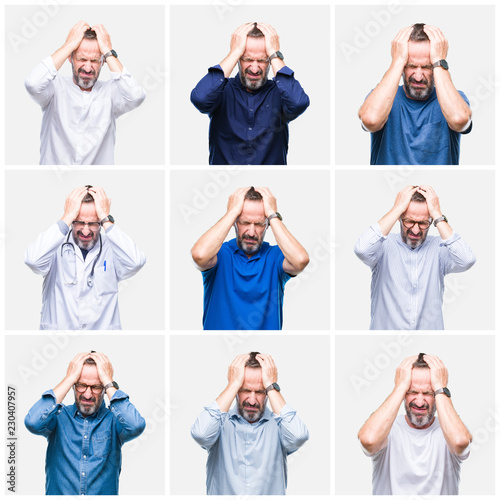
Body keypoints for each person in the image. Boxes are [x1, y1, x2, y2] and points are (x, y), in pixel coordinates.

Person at [354, 185, 475, 330]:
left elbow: (467, 260)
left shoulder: (440, 249)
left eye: (423, 223)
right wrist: (397, 208)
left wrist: (437, 214)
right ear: (399, 218)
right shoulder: (382, 246)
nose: (416, 230)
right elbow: (362, 249)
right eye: (409, 221)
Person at [25, 185, 146, 330]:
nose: (86, 231)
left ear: (101, 222)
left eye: (93, 223)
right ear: (72, 220)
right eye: (80, 222)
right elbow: (32, 260)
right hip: (57, 339)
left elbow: (136, 261)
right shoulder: (54, 246)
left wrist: (106, 218)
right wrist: (67, 216)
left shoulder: (113, 248)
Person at [25, 351, 146, 495]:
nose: (87, 395)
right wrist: (69, 378)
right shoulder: (58, 417)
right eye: (81, 385)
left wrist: (108, 380)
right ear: (73, 386)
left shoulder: (115, 420)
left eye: (96, 387)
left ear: (104, 389)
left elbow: (136, 425)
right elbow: (32, 422)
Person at [25, 21, 146, 165]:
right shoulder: (55, 88)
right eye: (82, 59)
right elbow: (32, 83)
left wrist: (107, 51)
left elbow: (136, 96)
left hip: (100, 180)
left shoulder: (111, 92)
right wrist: (69, 45)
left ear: (103, 62)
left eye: (94, 60)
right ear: (70, 58)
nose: (88, 68)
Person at [191, 22, 309, 165]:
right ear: (238, 60)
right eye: (247, 59)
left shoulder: (281, 92)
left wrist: (275, 54)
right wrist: (234, 52)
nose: (254, 68)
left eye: (262, 60)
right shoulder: (221, 91)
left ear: (270, 62)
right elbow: (200, 99)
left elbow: (298, 103)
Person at [191, 186, 309, 329]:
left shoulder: (275, 256)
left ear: (268, 225)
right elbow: (199, 255)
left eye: (259, 224)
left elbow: (301, 260)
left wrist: (272, 214)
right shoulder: (220, 254)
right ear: (234, 222)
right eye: (245, 222)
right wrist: (232, 211)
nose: (252, 232)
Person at [191, 352, 309, 495]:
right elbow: (201, 434)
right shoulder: (219, 424)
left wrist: (271, 386)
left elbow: (299, 436)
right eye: (245, 390)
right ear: (236, 390)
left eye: (259, 392)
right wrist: (233, 384)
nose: (252, 401)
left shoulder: (281, 427)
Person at [358, 353, 471, 495]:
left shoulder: (451, 429)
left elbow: (460, 442)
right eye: (412, 391)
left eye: (428, 393)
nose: (419, 402)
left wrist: (441, 387)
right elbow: (368, 440)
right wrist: (400, 386)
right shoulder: (387, 429)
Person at [358, 23, 472, 165]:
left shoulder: (456, 98)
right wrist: (397, 61)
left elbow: (459, 120)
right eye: (411, 66)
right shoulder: (380, 98)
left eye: (427, 67)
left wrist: (439, 61)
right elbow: (371, 120)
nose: (418, 77)